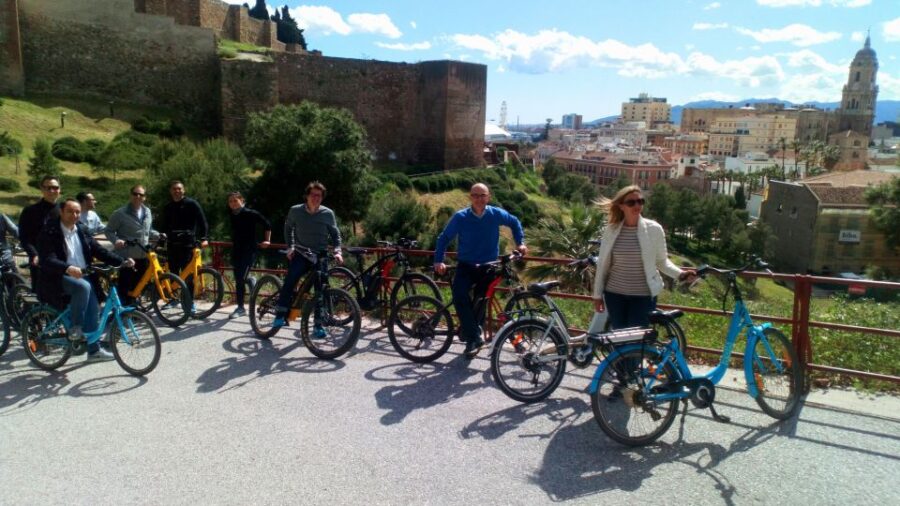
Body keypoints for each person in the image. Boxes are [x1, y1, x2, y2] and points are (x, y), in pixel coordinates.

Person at [434, 183, 527, 359]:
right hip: (466, 266)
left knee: (480, 303)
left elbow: (514, 222)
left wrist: (520, 242)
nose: (479, 198)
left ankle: (472, 339)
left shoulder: (495, 214)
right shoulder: (460, 217)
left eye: (482, 195)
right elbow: (444, 238)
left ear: (488, 197)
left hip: (488, 266)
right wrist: (439, 260)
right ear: (470, 197)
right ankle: (475, 338)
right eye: (475, 195)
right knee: (459, 296)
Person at [36, 199, 134, 361]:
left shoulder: (81, 229)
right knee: (83, 288)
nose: (74, 215)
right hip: (58, 277)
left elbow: (98, 250)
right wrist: (67, 268)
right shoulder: (49, 231)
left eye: (77, 212)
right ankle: (75, 329)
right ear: (61, 212)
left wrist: (120, 261)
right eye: (70, 211)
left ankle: (93, 351)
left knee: (93, 312)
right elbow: (47, 259)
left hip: (84, 276)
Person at [592, 185, 695, 330]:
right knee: (619, 341)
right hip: (614, 295)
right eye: (631, 202)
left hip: (643, 296)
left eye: (640, 201)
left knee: (636, 342)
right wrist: (597, 295)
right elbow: (603, 264)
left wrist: (681, 274)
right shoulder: (611, 230)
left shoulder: (654, 229)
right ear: (621, 206)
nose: (637, 205)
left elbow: (662, 261)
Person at [272, 181, 342, 330]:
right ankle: (280, 314)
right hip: (301, 253)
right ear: (307, 196)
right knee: (291, 280)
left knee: (320, 290)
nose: (316, 198)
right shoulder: (295, 211)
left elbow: (335, 235)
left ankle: (318, 325)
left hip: (320, 255)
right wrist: (290, 247)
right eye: (313, 195)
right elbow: (288, 228)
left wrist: (337, 250)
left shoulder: (328, 214)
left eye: (319, 195)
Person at [105, 185, 159, 305]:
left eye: (141, 195)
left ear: (145, 198)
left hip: (143, 254)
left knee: (139, 283)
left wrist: (159, 235)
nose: (138, 197)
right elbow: (108, 230)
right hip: (127, 255)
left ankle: (133, 307)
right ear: (131, 195)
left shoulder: (147, 212)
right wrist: (116, 240)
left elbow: (148, 230)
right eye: (135, 194)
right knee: (125, 284)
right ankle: (121, 311)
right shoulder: (120, 213)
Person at [227, 191, 271, 319]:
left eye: (235, 200)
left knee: (240, 278)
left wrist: (267, 240)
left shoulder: (250, 213)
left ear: (242, 200)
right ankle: (250, 280)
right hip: (236, 250)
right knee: (238, 278)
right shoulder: (232, 214)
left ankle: (241, 308)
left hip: (249, 250)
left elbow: (267, 224)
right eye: (230, 201)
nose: (233, 204)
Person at [159, 180, 208, 294]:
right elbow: (163, 226)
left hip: (188, 244)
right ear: (170, 191)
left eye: (179, 189)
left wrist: (204, 238)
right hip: (172, 244)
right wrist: (161, 241)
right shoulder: (168, 207)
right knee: (173, 273)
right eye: (174, 189)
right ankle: (174, 297)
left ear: (183, 190)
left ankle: (188, 301)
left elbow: (203, 222)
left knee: (188, 275)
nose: (177, 191)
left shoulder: (192, 204)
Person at [18, 175, 61, 287]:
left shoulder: (65, 210)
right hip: (40, 262)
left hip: (63, 261)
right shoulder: (30, 211)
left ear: (59, 189)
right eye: (48, 188)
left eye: (55, 187)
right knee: (41, 298)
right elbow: (24, 237)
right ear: (42, 189)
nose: (52, 191)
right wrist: (34, 254)